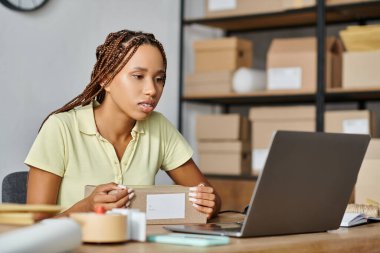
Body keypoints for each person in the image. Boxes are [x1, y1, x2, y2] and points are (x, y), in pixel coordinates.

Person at [25, 29, 221, 220]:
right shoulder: (60, 128)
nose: (152, 90)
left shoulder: (159, 127)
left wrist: (209, 203)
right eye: (138, 76)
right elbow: (35, 226)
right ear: (106, 78)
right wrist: (86, 207)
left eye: (159, 79)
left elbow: (212, 198)